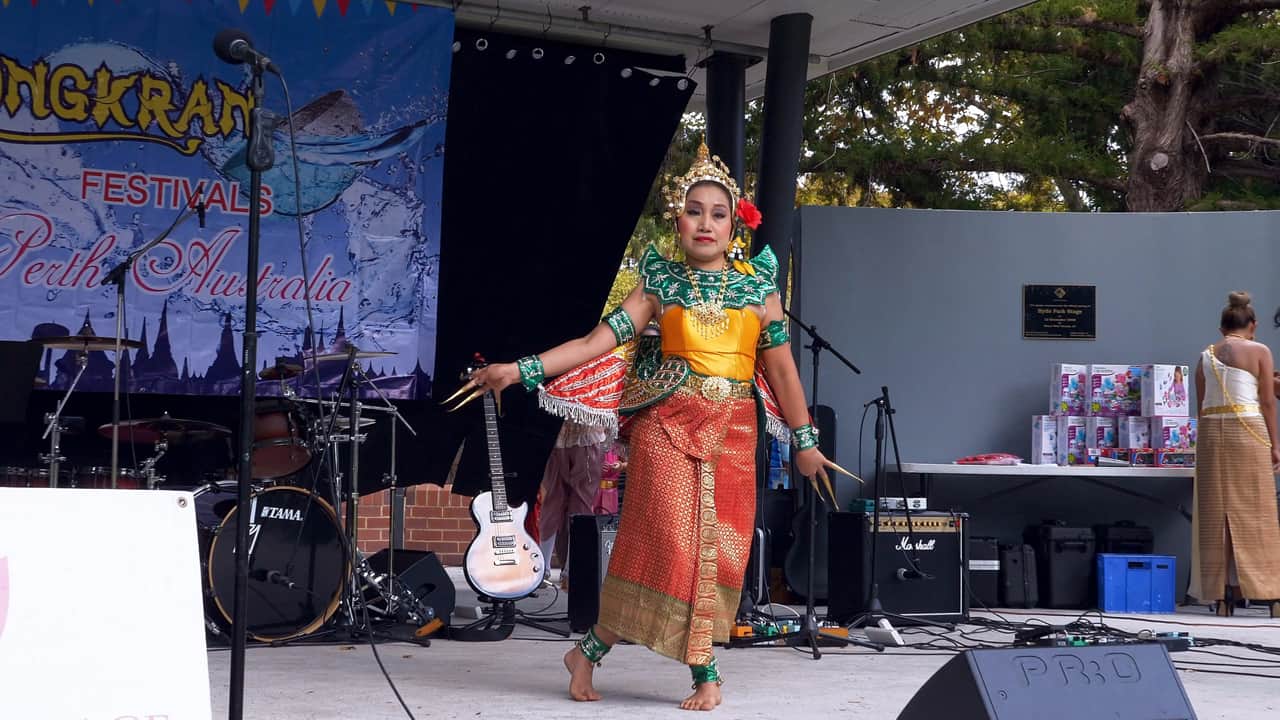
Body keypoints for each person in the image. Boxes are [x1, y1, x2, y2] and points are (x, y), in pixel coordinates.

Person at [458, 143, 843, 711]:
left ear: (735, 225)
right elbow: (595, 344)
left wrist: (805, 440)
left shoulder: (761, 287)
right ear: (677, 219)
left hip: (735, 433)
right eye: (694, 210)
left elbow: (781, 368)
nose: (705, 222)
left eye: (718, 213)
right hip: (666, 427)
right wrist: (520, 370)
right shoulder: (658, 283)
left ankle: (587, 651)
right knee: (677, 551)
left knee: (725, 553)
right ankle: (704, 672)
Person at [1192, 291, 1280, 617]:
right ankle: (1269, 594)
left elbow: (1201, 407)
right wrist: (1275, 444)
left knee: (1215, 514)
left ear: (1221, 327)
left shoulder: (1205, 356)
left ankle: (1221, 596)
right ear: (1253, 325)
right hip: (1249, 431)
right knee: (1258, 512)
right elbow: (1268, 401)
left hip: (1213, 434)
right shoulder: (1259, 350)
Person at [537, 420, 610, 584]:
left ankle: (543, 568)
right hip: (586, 436)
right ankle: (571, 569)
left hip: (557, 437)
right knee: (581, 503)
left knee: (552, 501)